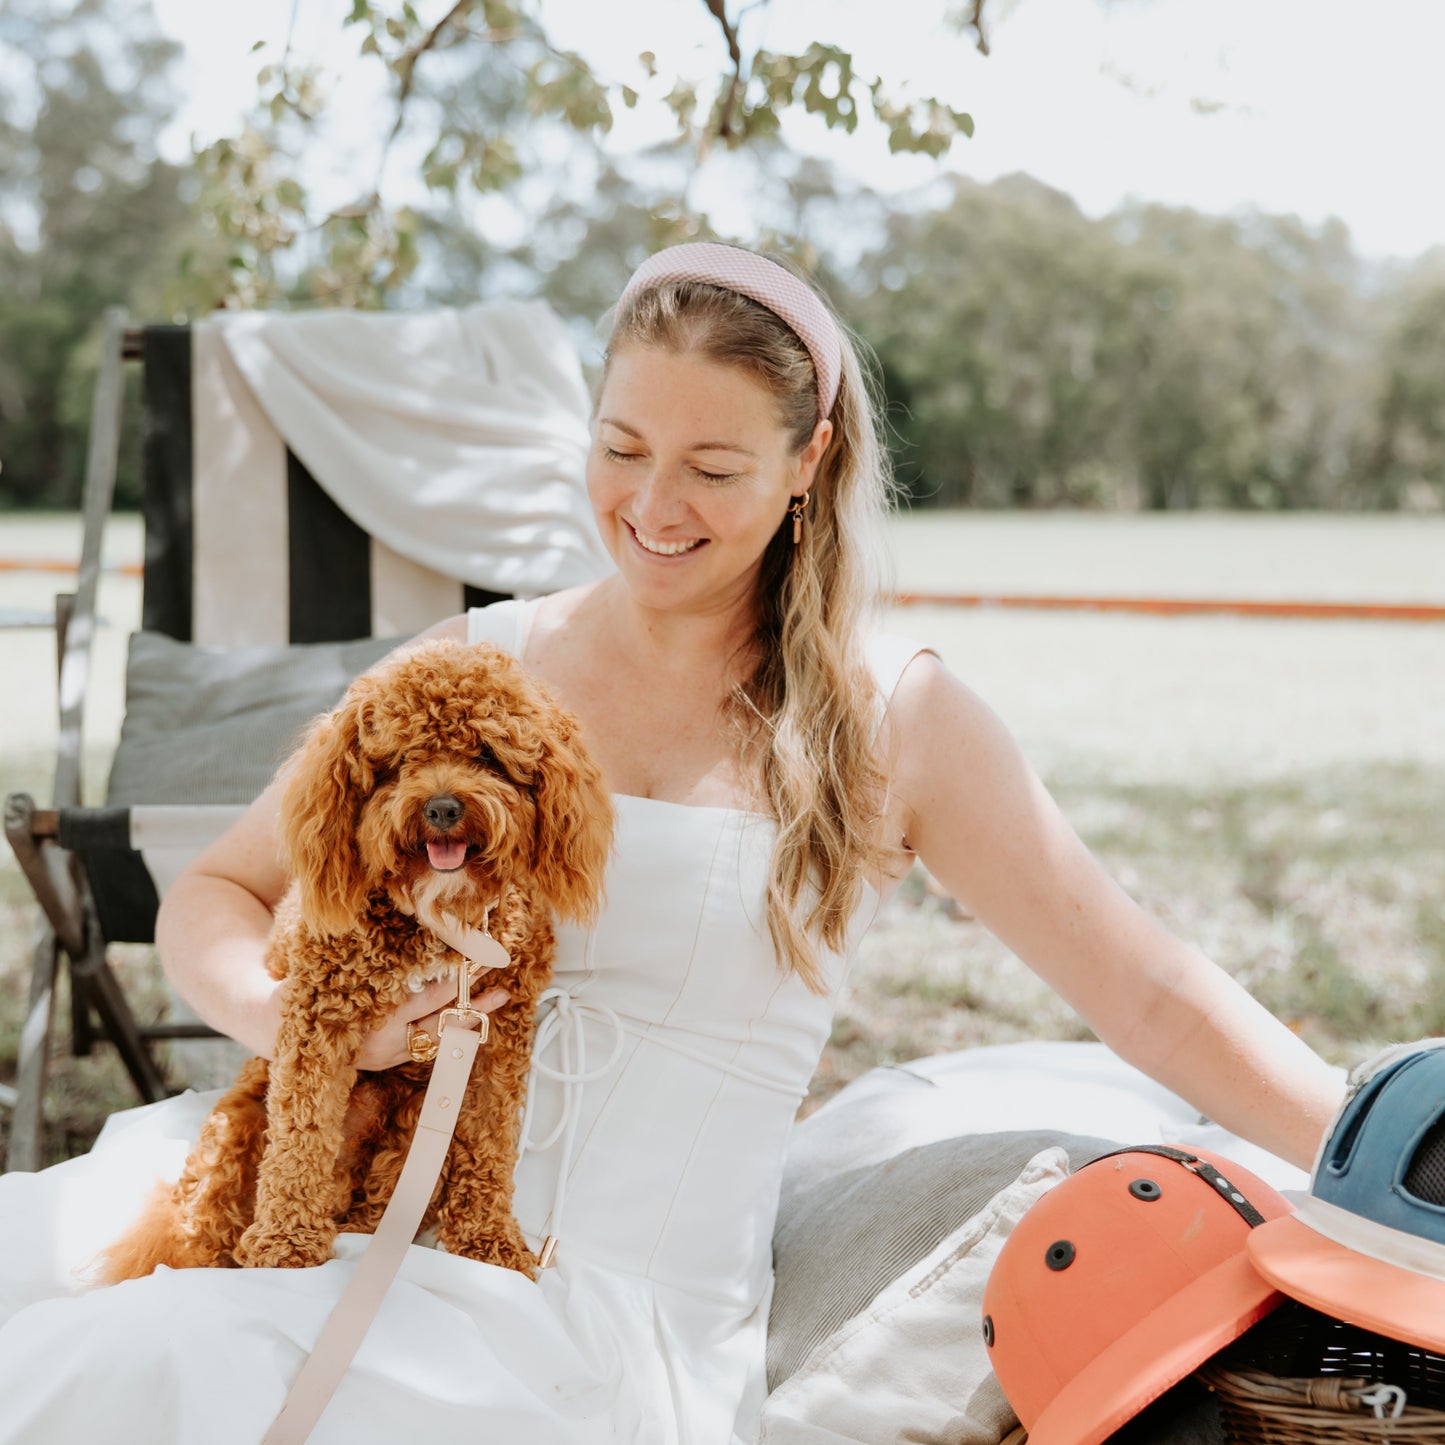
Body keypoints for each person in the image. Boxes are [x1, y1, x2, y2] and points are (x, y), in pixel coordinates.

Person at [0, 243, 1344, 1444]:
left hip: (599, 1317)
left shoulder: (897, 722)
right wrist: (300, 1020)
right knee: (64, 1304)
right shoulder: (480, 658)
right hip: (351, 1214)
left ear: (808, 464)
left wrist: (1376, 1153)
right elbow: (223, 891)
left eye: (711, 467)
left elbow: (1149, 991)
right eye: (620, 446)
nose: (653, 503)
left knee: (174, 1365)